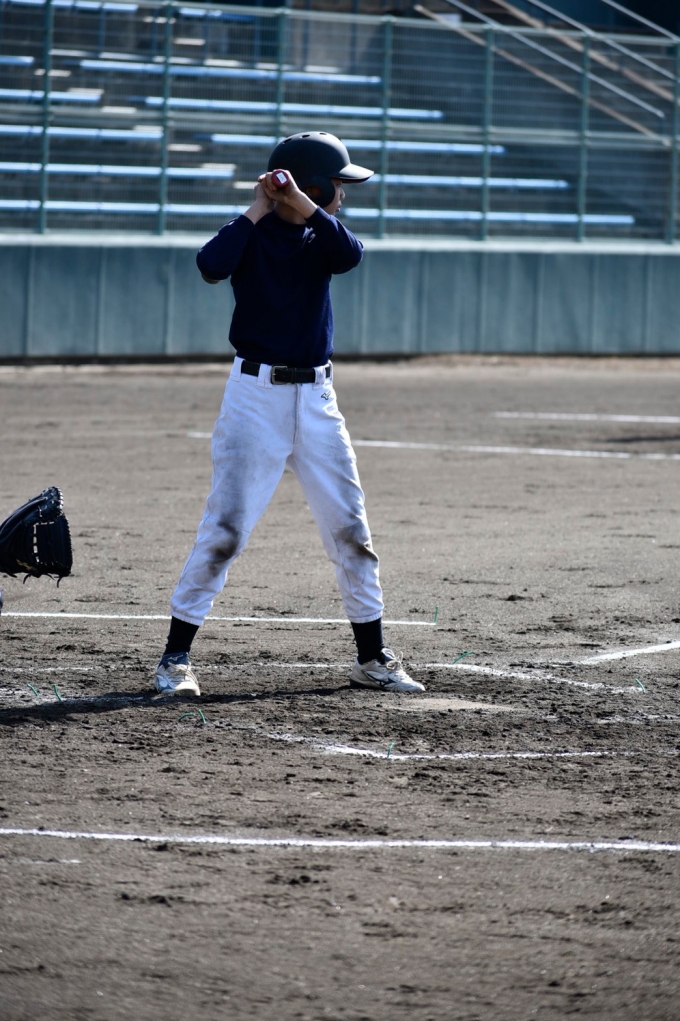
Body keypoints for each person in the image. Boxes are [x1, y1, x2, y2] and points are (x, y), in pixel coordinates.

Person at [154, 131, 424, 696]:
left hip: (318, 400)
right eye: (337, 187)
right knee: (226, 529)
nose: (343, 196)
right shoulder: (250, 234)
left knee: (351, 528)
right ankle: (175, 660)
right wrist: (259, 206)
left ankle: (372, 657)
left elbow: (350, 256)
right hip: (255, 399)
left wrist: (303, 205)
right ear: (315, 184)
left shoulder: (321, 237)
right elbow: (210, 264)